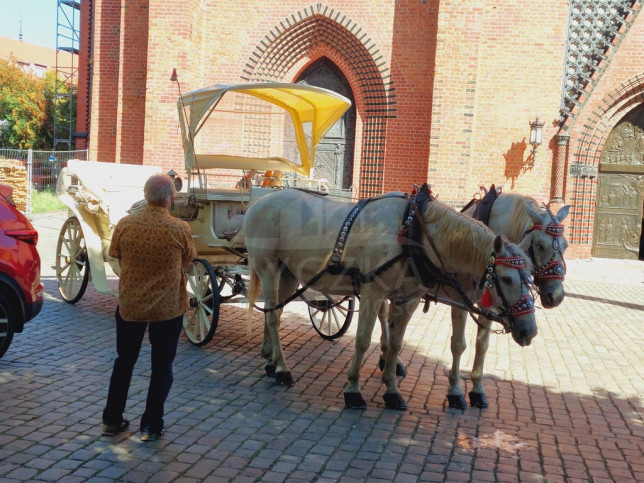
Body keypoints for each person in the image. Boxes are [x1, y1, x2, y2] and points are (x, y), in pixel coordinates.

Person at [102, 174, 197, 442]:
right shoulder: (179, 229)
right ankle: (151, 425)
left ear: (145, 195)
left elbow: (116, 254)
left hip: (131, 306)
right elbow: (189, 259)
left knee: (124, 362)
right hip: (166, 309)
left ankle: (111, 420)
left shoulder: (125, 225)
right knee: (161, 366)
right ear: (170, 199)